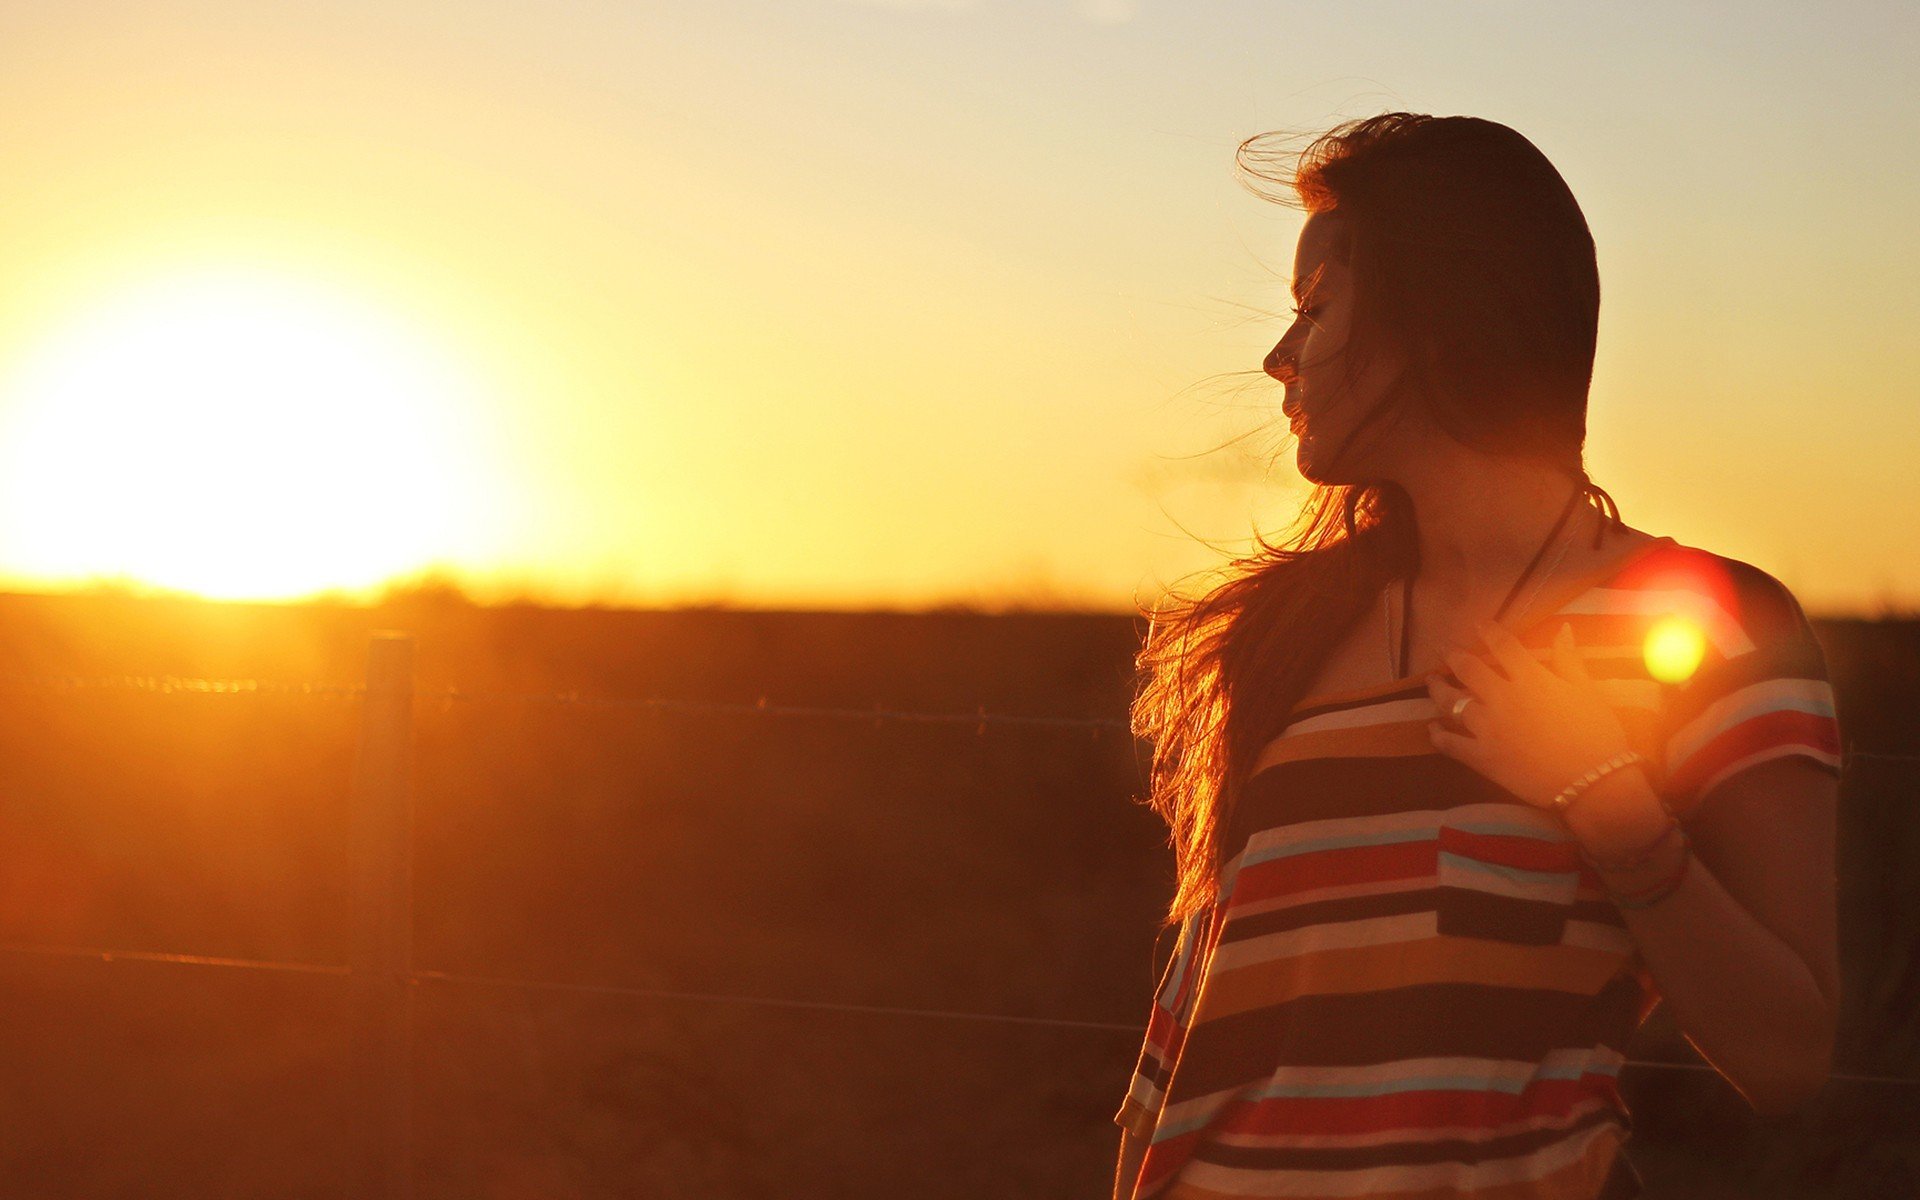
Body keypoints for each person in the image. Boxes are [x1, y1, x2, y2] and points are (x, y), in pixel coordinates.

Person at [1113, 112, 1844, 1200]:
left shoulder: (1711, 624)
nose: (1278, 358)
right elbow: (1186, 1035)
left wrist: (1611, 808)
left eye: (1314, 310)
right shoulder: (1284, 633)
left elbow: (1785, 1056)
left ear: (1440, 324)